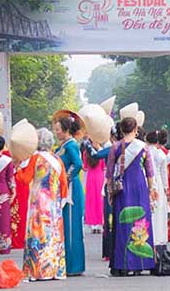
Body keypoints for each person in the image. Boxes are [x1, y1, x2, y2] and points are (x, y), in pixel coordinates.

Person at [105, 117, 158, 276]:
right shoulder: (144, 148)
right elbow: (150, 173)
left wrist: (109, 192)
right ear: (135, 130)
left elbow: (109, 173)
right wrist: (151, 191)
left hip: (122, 190)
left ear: (121, 130)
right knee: (141, 223)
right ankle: (140, 263)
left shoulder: (115, 147)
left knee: (122, 225)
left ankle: (122, 264)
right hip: (139, 189)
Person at [17, 128, 68, 281]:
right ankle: (54, 269)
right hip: (53, 201)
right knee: (53, 235)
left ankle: (35, 270)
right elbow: (64, 183)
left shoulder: (35, 158)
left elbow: (25, 179)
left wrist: (18, 169)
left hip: (38, 201)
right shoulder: (57, 160)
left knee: (37, 234)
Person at [54, 114, 85, 276]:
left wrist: (66, 178)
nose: (56, 132)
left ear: (66, 130)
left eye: (58, 129)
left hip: (71, 190)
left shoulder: (71, 145)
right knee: (65, 226)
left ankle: (74, 265)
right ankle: (67, 262)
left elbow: (78, 164)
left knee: (71, 227)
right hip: (65, 189)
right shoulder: (64, 145)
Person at [146, 131, 170, 247]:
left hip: (147, 180)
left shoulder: (144, 151)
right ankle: (159, 236)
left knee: (150, 207)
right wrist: (166, 188)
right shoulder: (161, 154)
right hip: (158, 182)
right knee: (159, 208)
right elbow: (164, 172)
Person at [83, 138, 105, 234]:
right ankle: (99, 224)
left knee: (91, 200)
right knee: (100, 200)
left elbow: (85, 167)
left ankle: (93, 225)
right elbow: (104, 167)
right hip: (99, 177)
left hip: (90, 177)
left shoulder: (86, 152)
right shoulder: (102, 152)